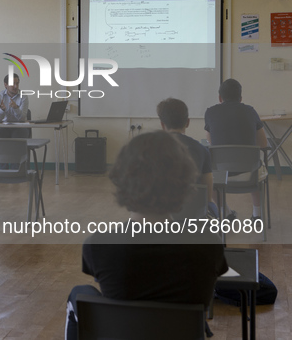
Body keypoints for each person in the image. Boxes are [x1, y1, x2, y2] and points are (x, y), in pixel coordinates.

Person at [65, 131, 227, 339]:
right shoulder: (209, 243)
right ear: (186, 182)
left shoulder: (98, 244)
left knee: (79, 292)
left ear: (122, 180)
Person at [204, 78, 268, 221]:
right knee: (257, 166)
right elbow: (263, 144)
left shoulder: (210, 112)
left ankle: (225, 212)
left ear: (220, 97)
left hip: (219, 174)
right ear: (240, 98)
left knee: (206, 173)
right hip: (249, 175)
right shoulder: (250, 111)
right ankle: (257, 214)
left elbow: (210, 141)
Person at [157, 98, 219, 218]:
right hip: (193, 217)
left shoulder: (148, 149)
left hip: (158, 216)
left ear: (162, 125)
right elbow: (207, 196)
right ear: (187, 122)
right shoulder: (202, 150)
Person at [0, 73, 30, 138]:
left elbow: (22, 119)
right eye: (13, 83)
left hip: (20, 127)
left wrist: (16, 108)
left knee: (16, 139)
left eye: (17, 83)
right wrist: (2, 110)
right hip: (4, 127)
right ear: (5, 85)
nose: (15, 86)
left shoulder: (23, 96)